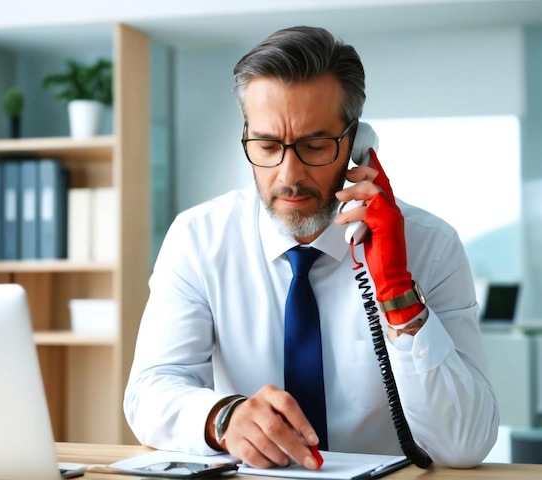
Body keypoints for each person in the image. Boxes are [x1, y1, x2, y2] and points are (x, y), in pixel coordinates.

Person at [124, 26, 498, 470]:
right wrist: (223, 417)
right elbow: (151, 389)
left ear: (358, 143)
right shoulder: (198, 238)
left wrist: (397, 292)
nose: (289, 175)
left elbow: (465, 445)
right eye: (266, 145)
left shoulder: (432, 246)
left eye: (315, 145)